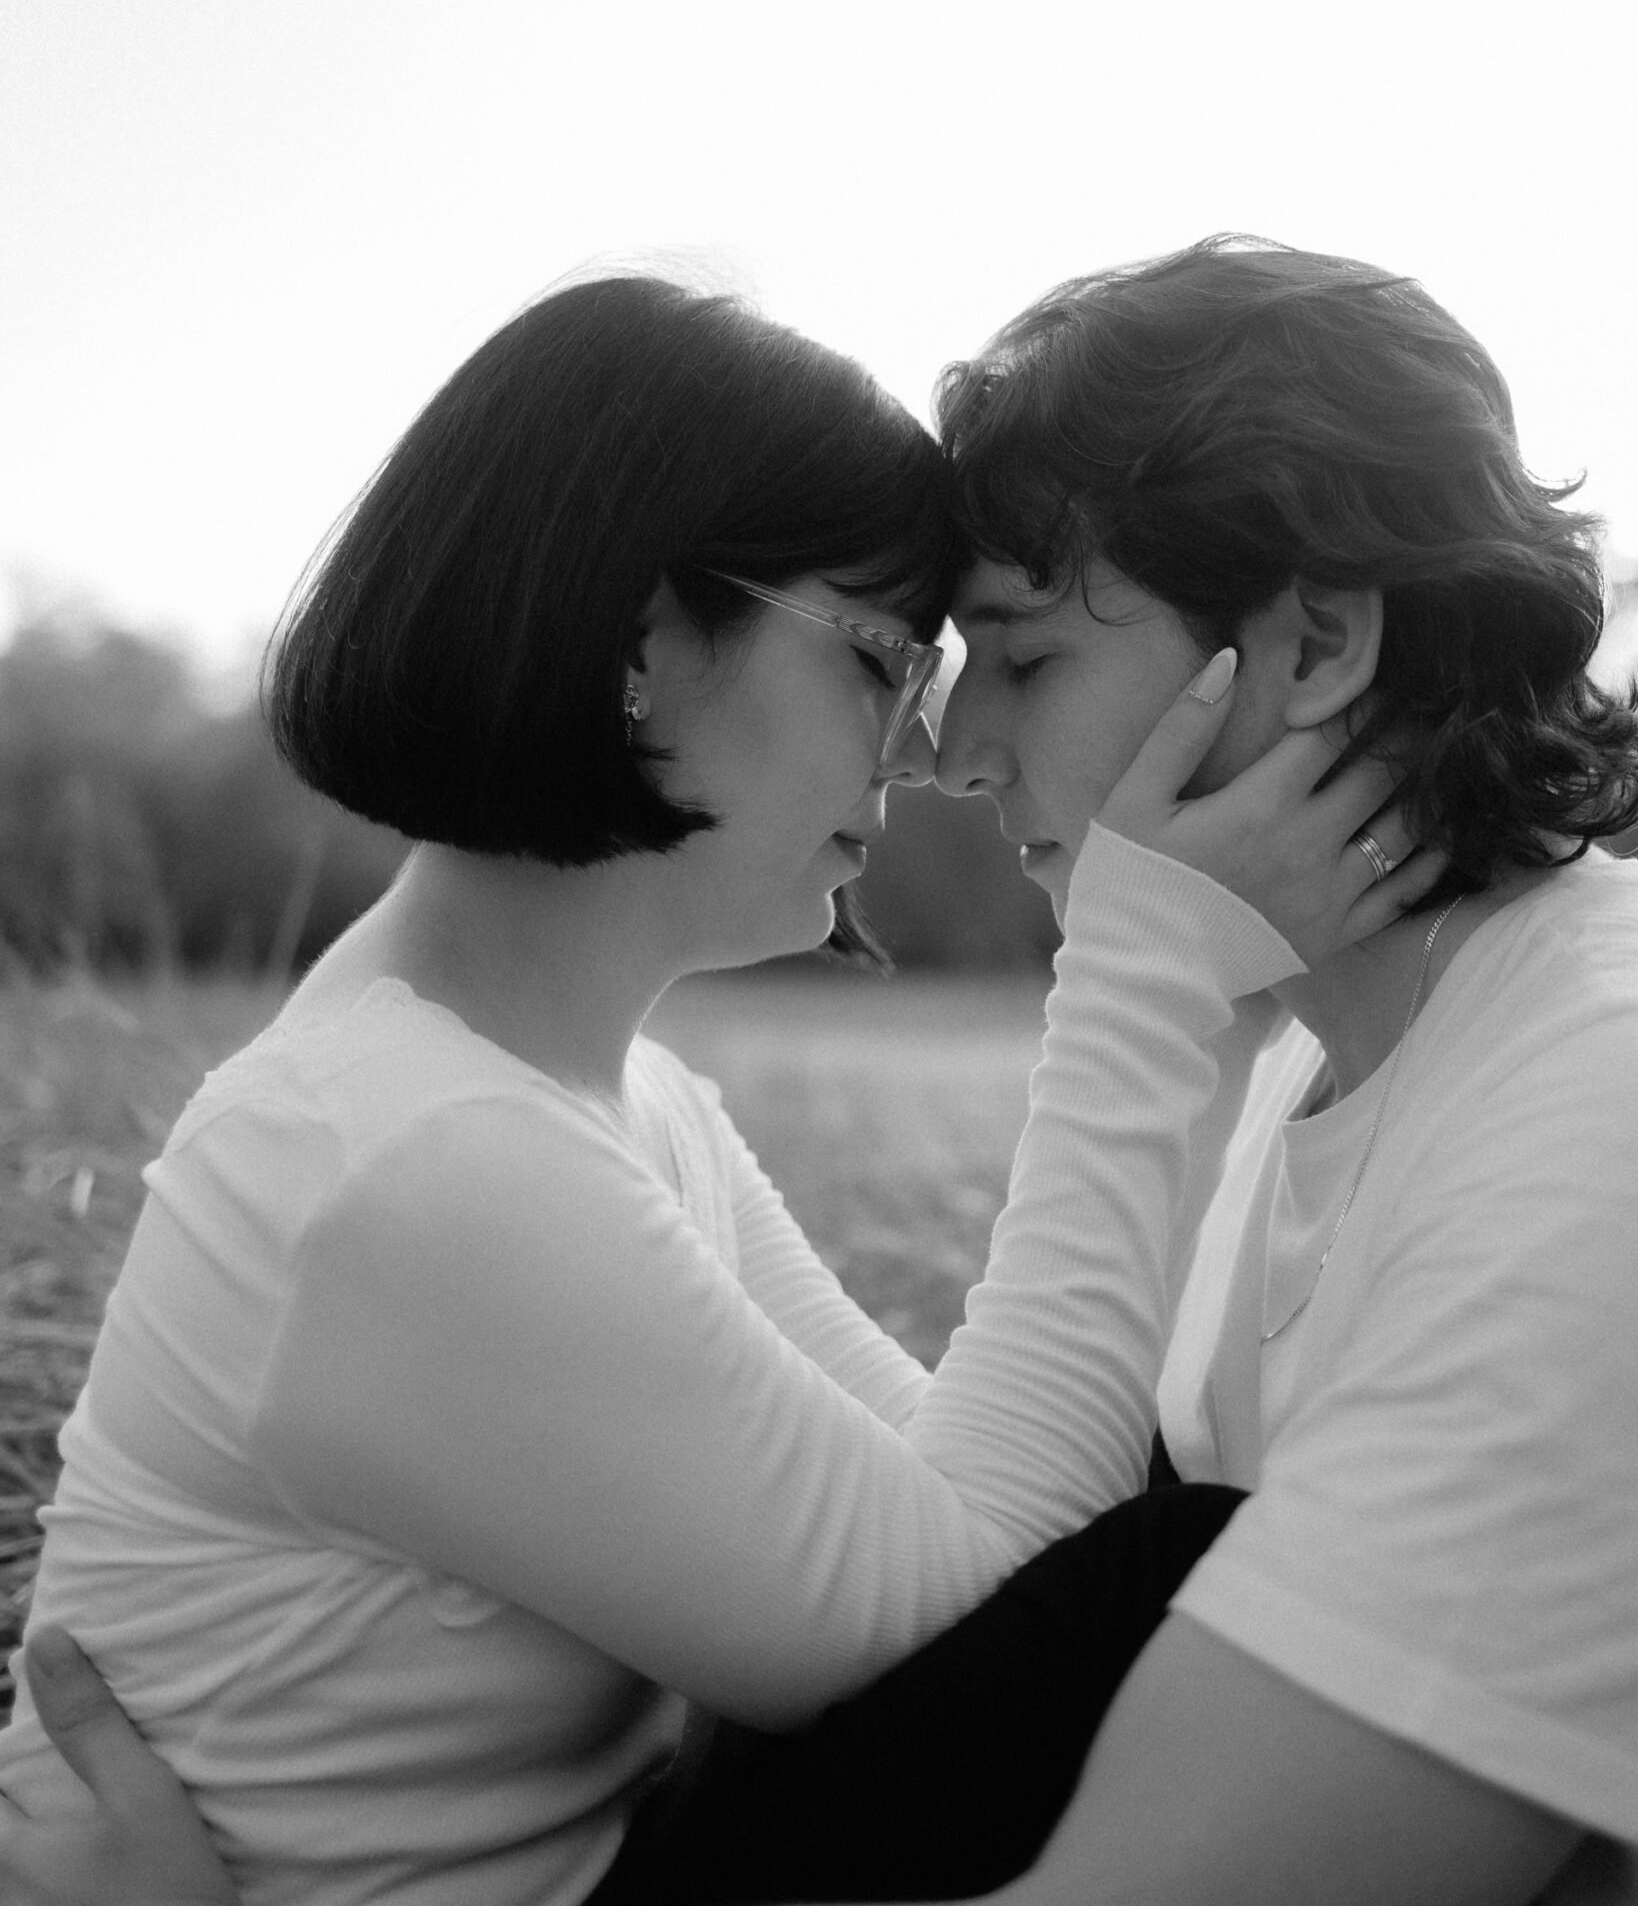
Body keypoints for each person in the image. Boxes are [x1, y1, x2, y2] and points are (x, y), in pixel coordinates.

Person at [0, 267, 1416, 1906]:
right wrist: (1139, 979)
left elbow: (967, 1506)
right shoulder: (412, 1166)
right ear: (641, 642)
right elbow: (1000, 1604)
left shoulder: (605, 1105)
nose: (920, 749)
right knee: (1194, 1571)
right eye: (888, 655)